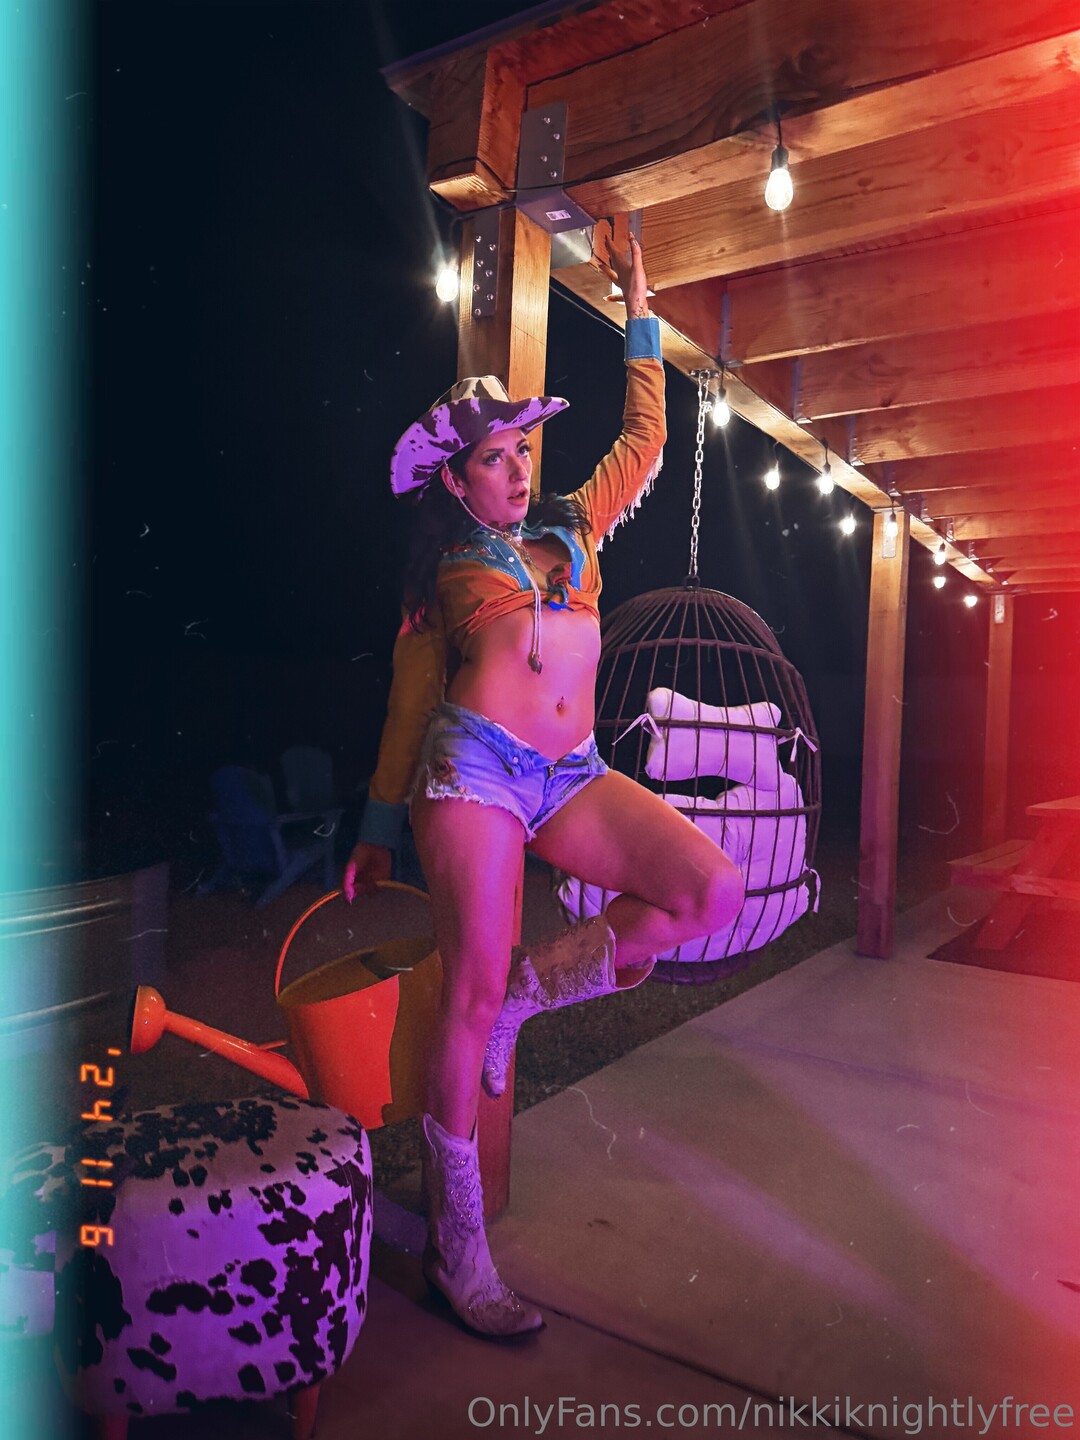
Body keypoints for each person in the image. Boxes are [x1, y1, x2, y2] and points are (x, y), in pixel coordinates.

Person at [344, 236, 744, 1338]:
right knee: (466, 992)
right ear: (455, 477)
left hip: (571, 774)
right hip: (470, 771)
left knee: (709, 892)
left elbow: (646, 439)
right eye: (496, 457)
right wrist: (376, 825)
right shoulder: (441, 579)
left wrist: (638, 307)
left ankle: (535, 990)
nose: (519, 468)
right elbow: (406, 710)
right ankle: (459, 1252)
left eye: (522, 448)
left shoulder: (573, 523)